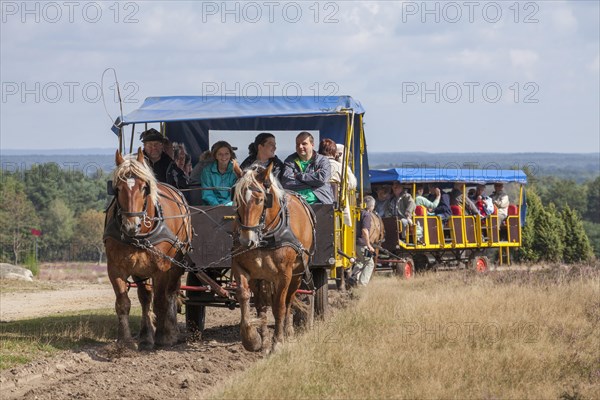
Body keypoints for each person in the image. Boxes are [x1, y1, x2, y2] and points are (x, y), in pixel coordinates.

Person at [281, 131, 333, 204]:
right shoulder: (290, 160)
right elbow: (286, 183)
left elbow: (321, 179)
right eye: (297, 144)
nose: (300, 147)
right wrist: (313, 182)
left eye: (304, 144)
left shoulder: (322, 160)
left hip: (320, 202)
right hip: (296, 204)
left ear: (312, 145)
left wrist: (298, 175)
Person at [200, 141, 242, 206]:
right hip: (211, 207)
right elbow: (207, 193)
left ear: (230, 155)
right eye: (220, 154)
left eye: (226, 153)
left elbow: (236, 192)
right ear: (215, 156)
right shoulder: (207, 171)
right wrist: (216, 205)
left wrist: (226, 205)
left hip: (231, 206)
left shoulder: (236, 170)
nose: (224, 157)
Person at [349, 196, 376, 287]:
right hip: (362, 244)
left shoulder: (357, 212)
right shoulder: (366, 215)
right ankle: (362, 285)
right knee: (369, 263)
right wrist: (368, 245)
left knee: (360, 261)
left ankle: (353, 278)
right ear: (371, 206)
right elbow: (365, 230)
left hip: (354, 243)